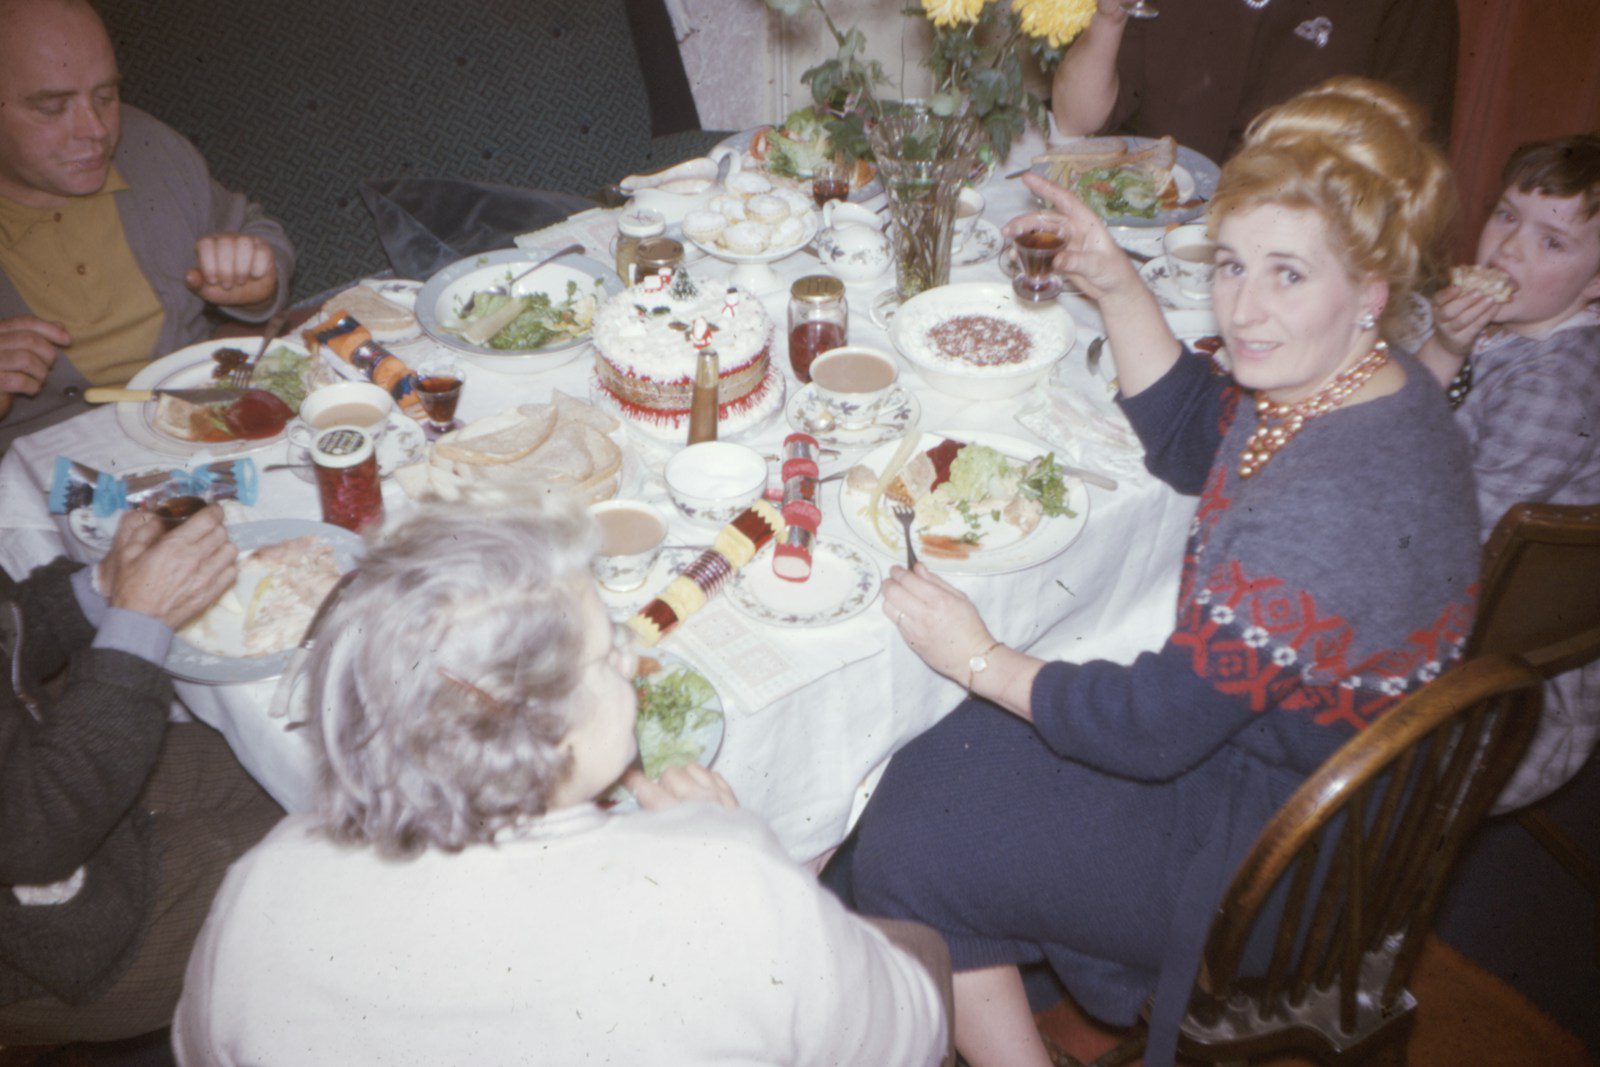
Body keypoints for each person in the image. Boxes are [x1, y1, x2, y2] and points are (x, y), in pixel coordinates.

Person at [820, 78, 1479, 1067]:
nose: (1244, 309)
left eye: (1287, 274)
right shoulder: (1353, 382)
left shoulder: (1328, 502)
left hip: (1275, 853)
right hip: (1295, 767)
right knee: (934, 758)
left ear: (1372, 288)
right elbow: (1197, 433)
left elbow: (1151, 728)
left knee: (910, 832)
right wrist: (1114, 280)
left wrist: (979, 654)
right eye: (1230, 264)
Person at [173, 494, 951, 1066]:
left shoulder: (263, 883)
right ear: (544, 729)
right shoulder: (729, 878)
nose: (633, 664)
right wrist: (770, 870)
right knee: (922, 947)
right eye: (608, 652)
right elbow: (913, 1035)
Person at [0, 506, 284, 1045]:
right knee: (341, 852)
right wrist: (140, 621)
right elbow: (34, 835)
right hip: (66, 941)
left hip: (41, 784)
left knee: (298, 774)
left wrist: (102, 586)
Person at [0, 0, 295, 451]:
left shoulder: (146, 145)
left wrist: (260, 276)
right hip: (51, 472)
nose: (95, 129)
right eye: (52, 108)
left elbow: (253, 228)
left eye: (105, 96)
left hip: (202, 425)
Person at [1418, 133, 1600, 811]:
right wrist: (1444, 346)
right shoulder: (1509, 324)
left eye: (1552, 241)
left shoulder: (1555, 391)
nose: (1509, 248)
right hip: (1468, 600)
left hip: (1503, 686)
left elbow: (1457, 554)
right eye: (1506, 214)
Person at [1050, 0, 1458, 163]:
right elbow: (1077, 120)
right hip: (1147, 233)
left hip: (1296, 263)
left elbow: (1407, 167)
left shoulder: (1415, 8)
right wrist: (1108, 18)